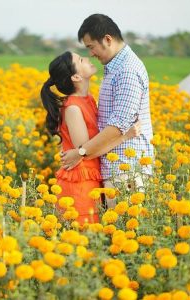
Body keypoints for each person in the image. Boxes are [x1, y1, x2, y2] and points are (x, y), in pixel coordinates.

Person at [61, 14, 154, 209]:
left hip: (126, 168)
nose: (91, 54)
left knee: (126, 235)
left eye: (91, 47)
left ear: (107, 40)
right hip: (116, 168)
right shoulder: (114, 68)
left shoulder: (127, 71)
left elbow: (117, 127)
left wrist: (81, 152)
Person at [40, 51, 140, 224]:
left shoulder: (88, 99)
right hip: (79, 182)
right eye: (80, 60)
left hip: (90, 178)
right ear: (76, 77)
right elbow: (86, 152)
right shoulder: (73, 108)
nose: (87, 58)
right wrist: (125, 136)